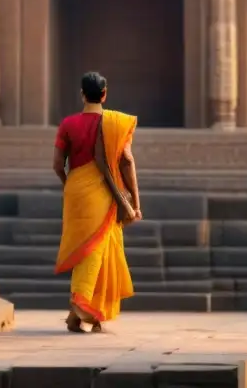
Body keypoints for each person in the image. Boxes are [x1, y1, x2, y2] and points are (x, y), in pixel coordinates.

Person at [53, 71, 141, 333]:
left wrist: (69, 182)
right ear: (104, 94)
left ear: (82, 94)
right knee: (94, 249)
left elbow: (58, 165)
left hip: (76, 190)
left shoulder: (68, 124)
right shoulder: (116, 124)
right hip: (103, 192)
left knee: (87, 248)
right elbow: (126, 161)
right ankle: (82, 306)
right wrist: (135, 201)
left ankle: (79, 312)